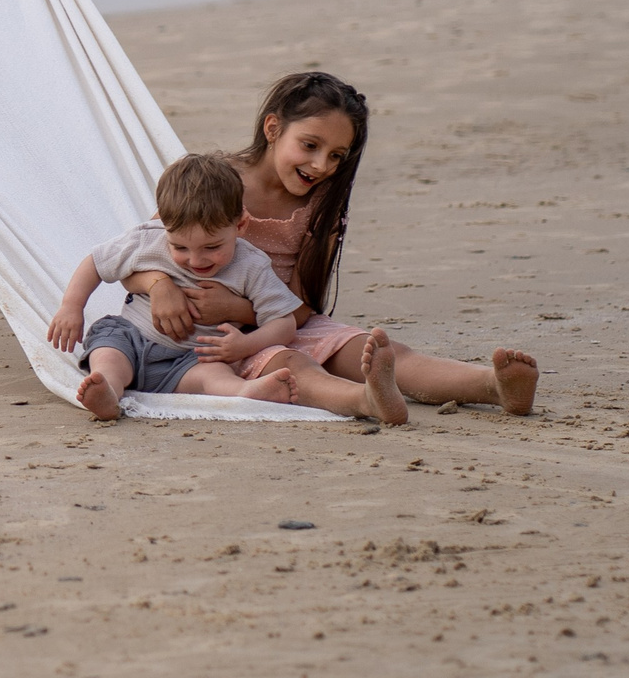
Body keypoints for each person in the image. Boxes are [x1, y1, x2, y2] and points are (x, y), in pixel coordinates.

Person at [140, 71, 542, 414]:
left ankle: (492, 386)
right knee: (295, 368)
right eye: (311, 146)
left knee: (379, 351)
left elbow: (302, 307)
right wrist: (159, 287)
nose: (321, 166)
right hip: (208, 340)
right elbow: (138, 254)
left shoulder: (322, 208)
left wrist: (238, 306)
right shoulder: (212, 183)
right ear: (273, 128)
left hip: (279, 323)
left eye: (337, 155)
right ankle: (365, 400)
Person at [49, 153, 409, 422]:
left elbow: (283, 321)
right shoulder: (148, 239)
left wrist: (246, 345)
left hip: (192, 359)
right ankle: (108, 393)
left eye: (211, 247)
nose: (195, 260)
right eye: (180, 248)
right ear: (164, 225)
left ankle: (249, 393)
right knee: (109, 354)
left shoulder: (250, 265)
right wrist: (71, 307)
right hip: (131, 336)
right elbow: (96, 263)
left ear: (240, 224)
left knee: (216, 376)